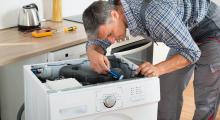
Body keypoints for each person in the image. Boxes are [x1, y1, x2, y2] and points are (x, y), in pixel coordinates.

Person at [82, 0, 220, 119]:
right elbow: (98, 38)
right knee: (166, 89)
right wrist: (92, 52)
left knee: (206, 100)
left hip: (210, 30)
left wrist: (158, 68)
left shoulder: (155, 14)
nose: (111, 41)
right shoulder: (112, 6)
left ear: (114, 15)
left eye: (110, 34)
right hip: (181, 32)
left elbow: (191, 52)